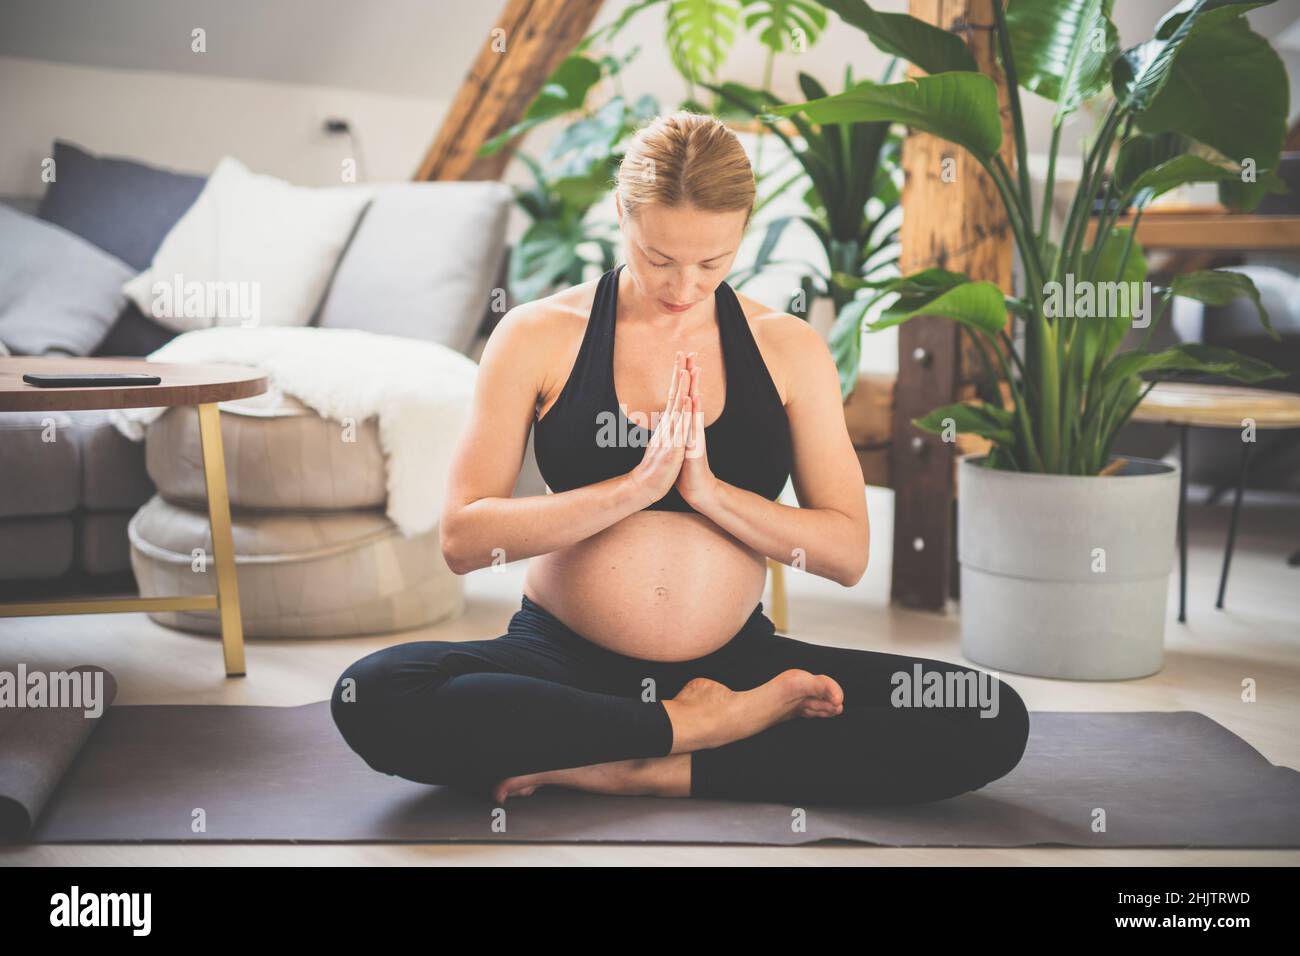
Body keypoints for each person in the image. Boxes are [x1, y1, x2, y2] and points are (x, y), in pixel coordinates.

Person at [331, 110, 1029, 806]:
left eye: (713, 262)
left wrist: (712, 493)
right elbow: (463, 540)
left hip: (736, 670)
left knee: (985, 714)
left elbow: (846, 553)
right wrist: (631, 489)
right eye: (658, 258)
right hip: (558, 661)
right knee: (376, 694)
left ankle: (645, 761)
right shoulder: (538, 335)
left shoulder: (788, 348)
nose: (684, 286)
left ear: (744, 230)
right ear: (622, 214)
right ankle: (685, 730)